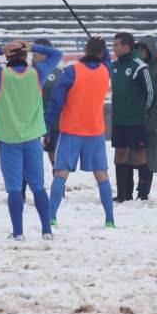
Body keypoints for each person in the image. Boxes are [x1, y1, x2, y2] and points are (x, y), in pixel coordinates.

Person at [0, 40, 62, 240]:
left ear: (7, 57)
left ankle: (18, 233)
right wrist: (34, 46)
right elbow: (56, 54)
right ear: (25, 56)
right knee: (38, 186)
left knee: (14, 189)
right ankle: (46, 231)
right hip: (32, 137)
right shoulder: (37, 74)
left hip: (8, 139)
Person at [44, 37, 115, 227]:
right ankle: (109, 219)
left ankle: (51, 217)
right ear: (101, 53)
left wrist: (47, 125)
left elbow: (56, 102)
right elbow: (106, 60)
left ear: (85, 50)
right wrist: (104, 47)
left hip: (70, 131)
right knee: (102, 175)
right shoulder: (106, 71)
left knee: (60, 174)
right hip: (95, 131)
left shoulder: (71, 72)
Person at [110, 32, 154, 202]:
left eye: (116, 45)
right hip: (119, 121)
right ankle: (122, 194)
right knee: (119, 154)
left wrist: (142, 112)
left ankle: (142, 194)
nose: (114, 48)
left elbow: (150, 92)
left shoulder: (139, 66)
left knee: (139, 155)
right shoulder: (114, 66)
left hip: (136, 121)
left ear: (126, 46)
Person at [22, 38, 61, 200]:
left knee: (54, 154)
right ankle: (22, 190)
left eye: (36, 53)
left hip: (53, 121)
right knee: (28, 156)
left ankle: (59, 188)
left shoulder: (58, 74)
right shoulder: (26, 72)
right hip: (30, 122)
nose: (33, 56)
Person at [134, 37, 157, 199]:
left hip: (151, 123)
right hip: (136, 121)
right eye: (138, 49)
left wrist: (152, 125)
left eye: (143, 49)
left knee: (148, 158)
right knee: (132, 157)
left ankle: (143, 192)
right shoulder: (138, 69)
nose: (140, 52)